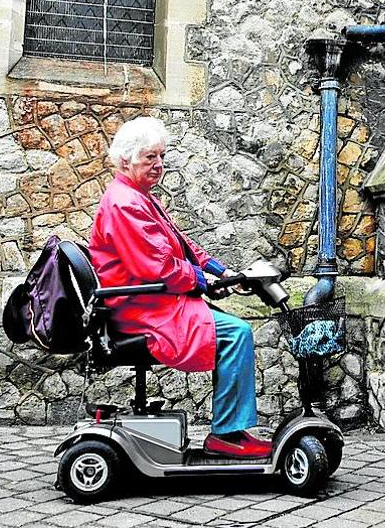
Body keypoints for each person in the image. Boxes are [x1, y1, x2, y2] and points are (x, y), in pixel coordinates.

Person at [89, 116, 270, 459]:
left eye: (161, 156)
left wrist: (221, 271)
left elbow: (182, 246)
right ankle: (228, 435)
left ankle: (230, 429)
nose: (158, 165)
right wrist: (205, 282)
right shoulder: (125, 204)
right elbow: (159, 266)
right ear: (126, 160)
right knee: (236, 333)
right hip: (143, 310)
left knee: (230, 329)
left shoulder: (138, 197)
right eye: (149, 158)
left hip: (155, 302)